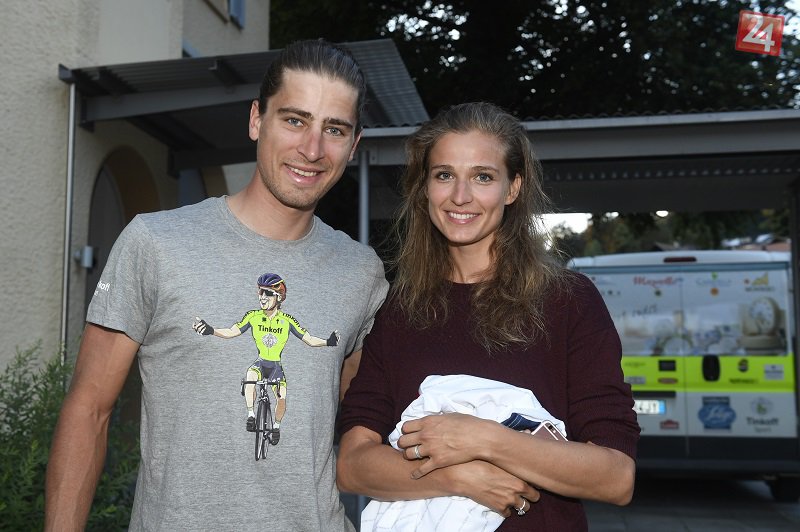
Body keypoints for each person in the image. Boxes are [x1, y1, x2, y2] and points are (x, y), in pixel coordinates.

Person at [45, 39, 389, 531]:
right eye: (295, 120)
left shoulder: (361, 272)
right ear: (256, 120)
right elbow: (89, 410)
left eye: (334, 129)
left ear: (353, 146)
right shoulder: (156, 242)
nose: (312, 149)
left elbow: (364, 425)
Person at [336, 102, 640, 531]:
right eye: (444, 175)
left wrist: (484, 439)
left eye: (483, 177)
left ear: (512, 188)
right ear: (425, 188)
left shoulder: (568, 301)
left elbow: (616, 478)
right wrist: (456, 477)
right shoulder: (399, 309)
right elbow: (352, 465)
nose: (461, 196)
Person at [193, 272, 340, 440]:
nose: (262, 297)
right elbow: (232, 332)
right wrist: (211, 330)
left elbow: (309, 340)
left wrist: (328, 342)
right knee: (250, 377)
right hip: (261, 363)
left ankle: (276, 426)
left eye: (268, 293)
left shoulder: (287, 321)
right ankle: (251, 415)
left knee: (281, 397)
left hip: (275, 367)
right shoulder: (253, 316)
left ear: (279, 297)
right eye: (260, 292)